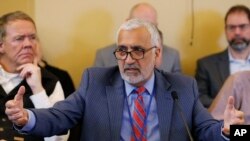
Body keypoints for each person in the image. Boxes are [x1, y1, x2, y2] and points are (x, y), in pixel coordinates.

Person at [5, 18, 244, 141]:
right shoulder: (95, 81)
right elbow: (60, 116)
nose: (128, 59)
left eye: (138, 50)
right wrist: (26, 117)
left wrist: (231, 131)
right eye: (122, 50)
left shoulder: (182, 87)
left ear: (157, 54)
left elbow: (207, 130)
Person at [0, 11, 68, 141]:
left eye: (32, 37)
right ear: (1, 46)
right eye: (19, 38)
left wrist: (38, 89)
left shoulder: (50, 82)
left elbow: (58, 139)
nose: (28, 44)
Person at [94, 2, 181, 73]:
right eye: (138, 24)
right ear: (127, 22)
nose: (144, 31)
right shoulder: (104, 56)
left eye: (150, 26)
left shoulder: (172, 56)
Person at [195, 5, 250, 108]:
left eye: (242, 26)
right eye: (231, 27)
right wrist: (230, 108)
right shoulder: (206, 65)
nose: (237, 32)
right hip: (224, 122)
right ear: (225, 30)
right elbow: (199, 99)